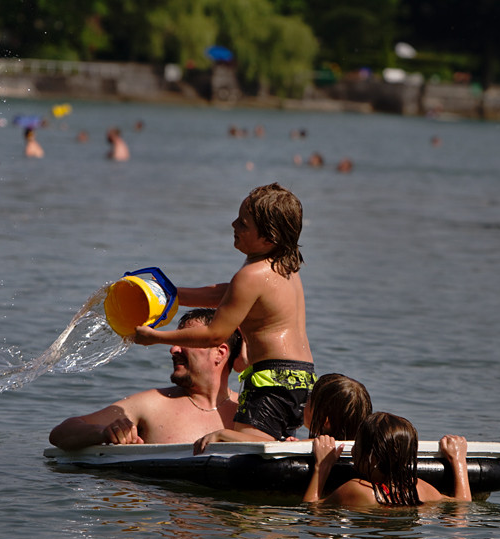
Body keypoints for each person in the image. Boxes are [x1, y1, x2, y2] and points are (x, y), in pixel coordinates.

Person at [135, 183, 315, 447]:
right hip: (302, 375)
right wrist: (173, 295)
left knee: (248, 443)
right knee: (272, 443)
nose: (233, 225)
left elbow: (215, 334)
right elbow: (226, 295)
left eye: (243, 223)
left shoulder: (250, 275)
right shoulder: (283, 266)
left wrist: (156, 337)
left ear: (268, 238)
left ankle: (226, 437)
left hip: (272, 375)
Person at [48, 309, 242, 450]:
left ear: (220, 352)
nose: (173, 349)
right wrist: (103, 432)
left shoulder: (247, 409)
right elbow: (61, 433)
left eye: (184, 341)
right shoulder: (151, 405)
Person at [302, 412, 472, 505]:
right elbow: (462, 503)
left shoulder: (357, 490)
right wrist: (458, 460)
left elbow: (311, 507)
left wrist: (322, 465)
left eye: (358, 445)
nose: (352, 450)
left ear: (373, 459)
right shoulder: (419, 488)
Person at [294, 373, 372, 440]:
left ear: (326, 420)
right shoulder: (358, 450)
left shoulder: (319, 451)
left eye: (309, 398)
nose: (304, 402)